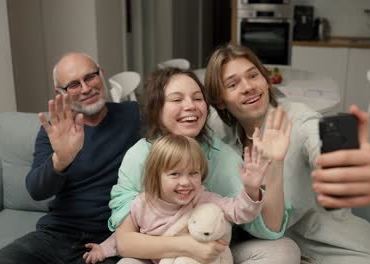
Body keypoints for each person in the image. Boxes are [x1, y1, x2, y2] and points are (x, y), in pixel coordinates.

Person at [204, 43, 370, 264]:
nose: (248, 87)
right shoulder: (220, 132)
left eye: (253, 75)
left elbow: (326, 141)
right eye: (233, 84)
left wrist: (359, 165)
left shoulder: (300, 118)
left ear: (266, 80)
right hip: (274, 253)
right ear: (220, 101)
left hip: (340, 252)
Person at [108, 68, 301, 264]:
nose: (190, 106)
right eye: (177, 100)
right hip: (158, 256)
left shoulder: (220, 155)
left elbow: (268, 229)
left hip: (214, 252)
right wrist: (188, 247)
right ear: (157, 110)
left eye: (197, 98)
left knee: (285, 250)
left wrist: (274, 165)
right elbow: (125, 242)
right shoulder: (139, 155)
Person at [0, 52, 141, 264]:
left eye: (90, 77)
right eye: (73, 84)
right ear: (60, 92)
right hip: (55, 235)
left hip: (106, 243)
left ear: (101, 74)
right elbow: (36, 190)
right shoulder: (55, 131)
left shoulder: (134, 115)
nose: (85, 88)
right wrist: (61, 160)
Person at [83, 134, 272, 264]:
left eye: (193, 173)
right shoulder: (142, 203)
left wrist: (251, 189)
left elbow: (239, 212)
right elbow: (123, 237)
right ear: (156, 176)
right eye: (174, 174)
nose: (185, 182)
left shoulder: (204, 199)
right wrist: (102, 250)